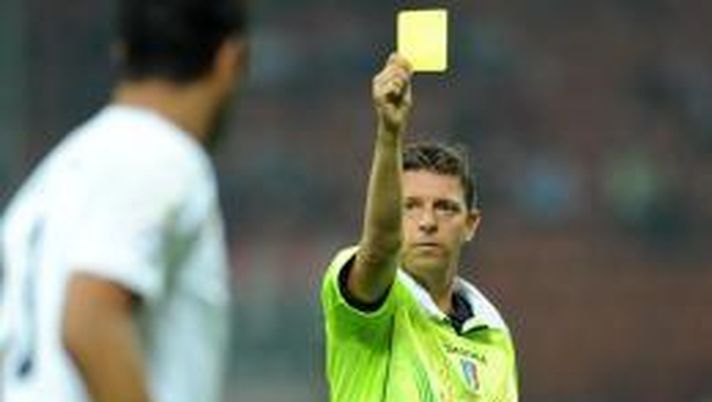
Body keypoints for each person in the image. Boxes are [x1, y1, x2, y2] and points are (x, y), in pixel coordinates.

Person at [0, 0, 249, 401]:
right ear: (230, 58)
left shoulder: (56, 175)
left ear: (121, 52)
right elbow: (89, 321)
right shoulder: (159, 155)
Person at [321, 53, 519, 402]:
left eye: (445, 208)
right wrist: (389, 133)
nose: (428, 222)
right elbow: (380, 248)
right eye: (410, 207)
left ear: (471, 224)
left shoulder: (493, 335)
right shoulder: (376, 298)